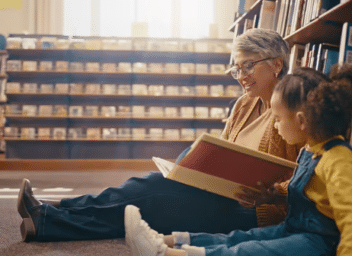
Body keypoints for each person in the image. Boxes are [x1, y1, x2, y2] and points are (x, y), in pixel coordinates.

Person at [17, 28, 302, 242]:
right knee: (150, 185)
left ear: (277, 64)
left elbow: (305, 178)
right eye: (236, 68)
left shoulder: (292, 110)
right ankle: (53, 214)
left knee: (153, 199)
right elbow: (225, 152)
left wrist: (274, 193)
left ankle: (50, 219)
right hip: (221, 196)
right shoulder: (244, 104)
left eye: (248, 65)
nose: (241, 75)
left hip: (254, 215)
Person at [124, 66, 352, 256]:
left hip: (318, 242)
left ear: (300, 121)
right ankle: (168, 240)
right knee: (239, 237)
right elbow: (312, 195)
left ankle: (164, 253)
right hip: (294, 228)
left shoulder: (340, 160)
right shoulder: (311, 149)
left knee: (250, 251)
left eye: (277, 118)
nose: (275, 127)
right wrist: (275, 195)